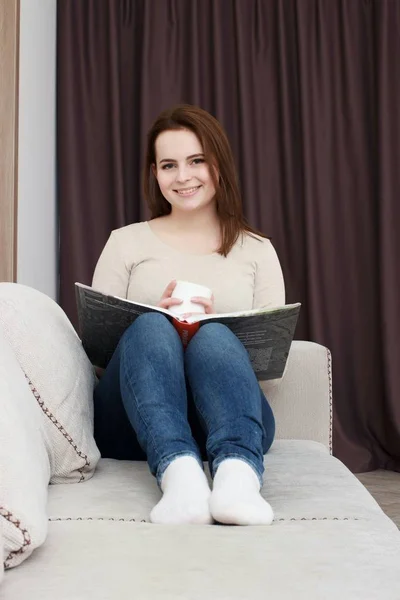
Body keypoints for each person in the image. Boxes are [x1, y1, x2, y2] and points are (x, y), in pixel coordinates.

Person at [92, 104, 285, 526]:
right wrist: (157, 328)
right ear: (155, 174)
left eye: (197, 160)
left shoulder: (257, 250)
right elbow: (98, 357)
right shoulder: (125, 243)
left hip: (229, 412)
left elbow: (269, 372)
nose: (183, 176)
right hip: (132, 420)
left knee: (213, 335)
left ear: (219, 164)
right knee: (149, 325)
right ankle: (180, 477)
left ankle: (237, 477)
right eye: (168, 165)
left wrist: (217, 328)